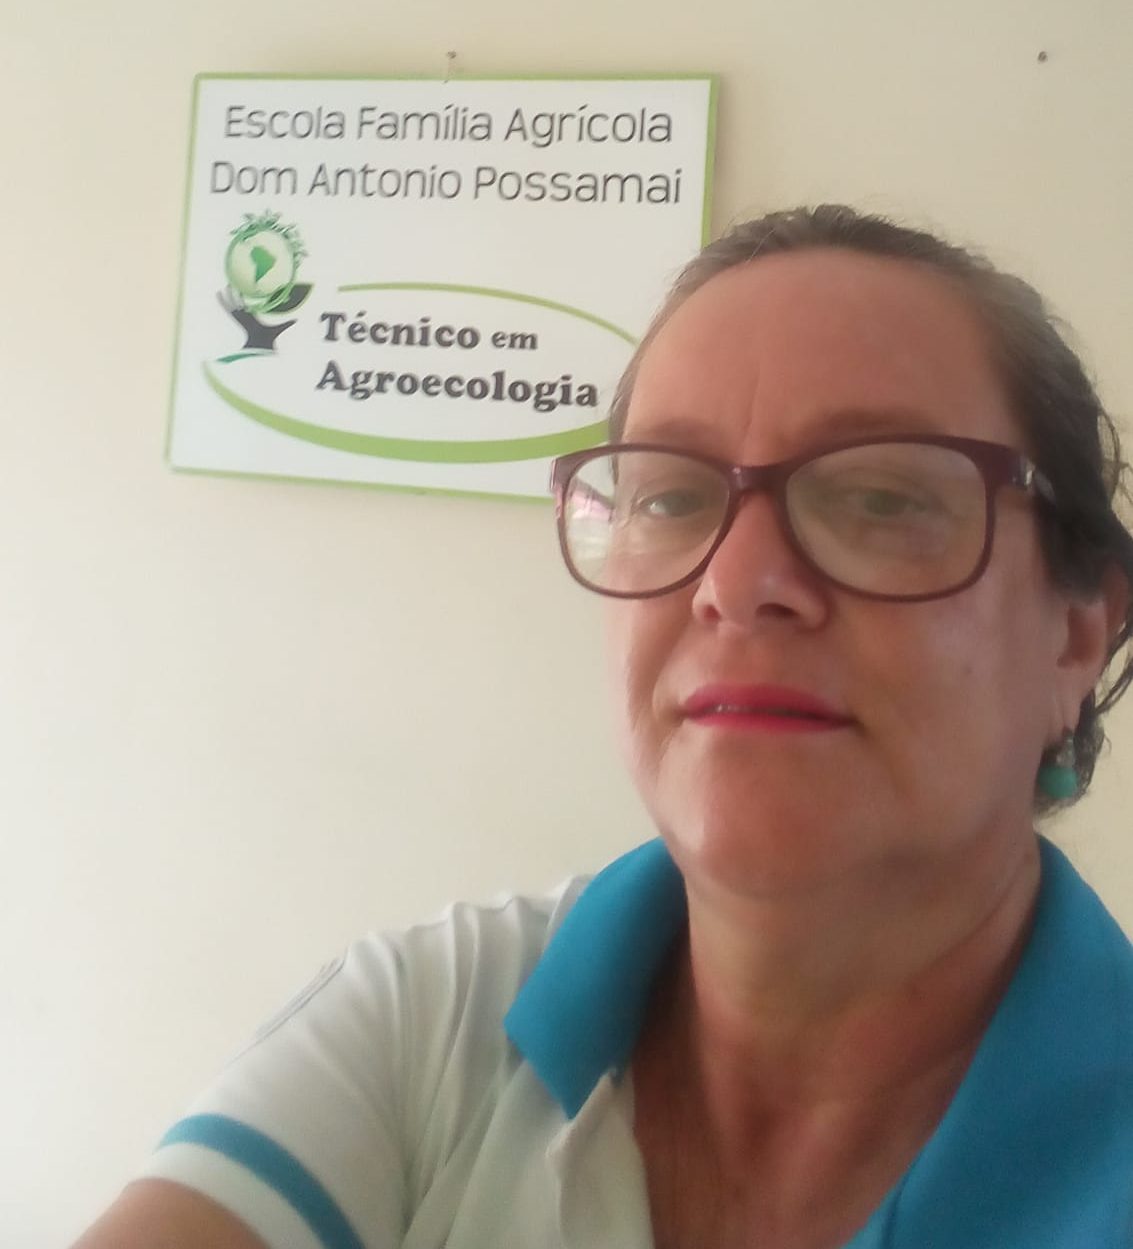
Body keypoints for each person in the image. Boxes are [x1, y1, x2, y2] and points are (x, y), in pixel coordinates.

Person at [76, 206, 1133, 1249]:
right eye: (669, 498)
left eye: (883, 499)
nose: (735, 583)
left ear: (1077, 634)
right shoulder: (436, 1018)